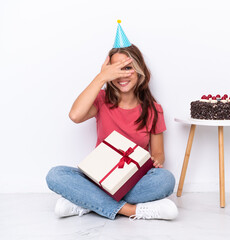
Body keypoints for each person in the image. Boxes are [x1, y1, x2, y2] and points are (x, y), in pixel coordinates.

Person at [45, 21, 178, 221]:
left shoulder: (153, 110)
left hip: (133, 181)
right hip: (99, 179)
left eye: (127, 68)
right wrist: (101, 77)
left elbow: (158, 152)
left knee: (166, 180)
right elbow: (75, 115)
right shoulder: (101, 99)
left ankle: (86, 203)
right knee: (55, 175)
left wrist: (157, 160)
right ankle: (131, 210)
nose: (122, 75)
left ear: (139, 70)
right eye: (115, 69)